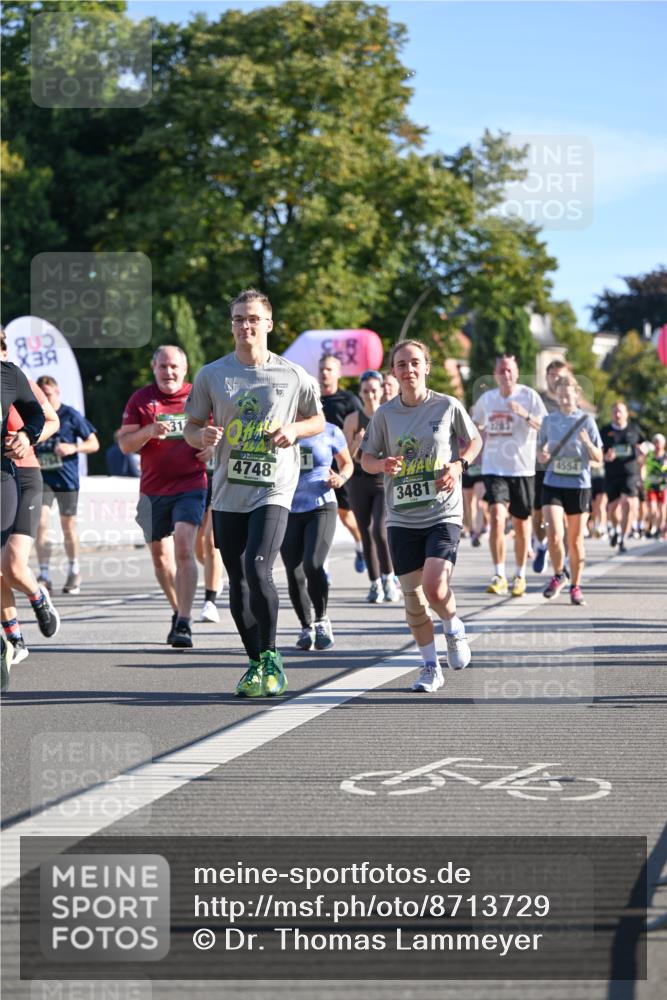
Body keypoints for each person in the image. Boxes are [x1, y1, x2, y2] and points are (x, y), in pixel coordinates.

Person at [184, 288, 324, 697]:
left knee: (256, 565)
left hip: (274, 487)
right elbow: (191, 426)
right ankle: (255, 661)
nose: (245, 326)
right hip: (229, 491)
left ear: (268, 324)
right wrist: (201, 435)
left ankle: (272, 657)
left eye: (253, 319)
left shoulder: (292, 374)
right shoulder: (213, 374)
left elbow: (317, 419)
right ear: (232, 326)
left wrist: (294, 430)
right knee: (237, 579)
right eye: (238, 319)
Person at [361, 339, 481, 692]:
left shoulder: (447, 406)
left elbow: (474, 441)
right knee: (413, 599)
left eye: (415, 363)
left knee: (435, 585)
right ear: (394, 372)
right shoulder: (384, 414)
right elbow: (365, 458)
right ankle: (430, 666)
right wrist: (382, 464)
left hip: (443, 511)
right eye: (401, 365)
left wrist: (459, 466)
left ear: (427, 367)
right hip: (401, 516)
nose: (408, 370)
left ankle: (454, 626)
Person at [118, 345, 209, 648]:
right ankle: (176, 609)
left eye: (174, 367)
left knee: (184, 547)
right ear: (153, 368)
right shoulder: (141, 400)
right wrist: (148, 431)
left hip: (191, 484)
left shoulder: (198, 396)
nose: (169, 372)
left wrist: (212, 449)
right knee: (160, 559)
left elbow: (220, 433)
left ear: (185, 368)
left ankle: (184, 621)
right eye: (163, 367)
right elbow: (125, 445)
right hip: (152, 490)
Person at [1, 332, 61, 666]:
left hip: (24, 474)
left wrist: (26, 438)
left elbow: (51, 420)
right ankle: (15, 639)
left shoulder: (13, 377)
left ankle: (38, 597)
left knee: (11, 565)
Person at [281, 396, 354, 651]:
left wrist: (341, 478)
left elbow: (347, 463)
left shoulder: (330, 430)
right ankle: (305, 627)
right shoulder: (281, 429)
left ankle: (322, 620)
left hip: (321, 504)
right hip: (287, 507)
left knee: (313, 564)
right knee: (293, 571)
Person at [472, 355, 547, 596]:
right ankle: (499, 574)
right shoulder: (487, 399)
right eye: (502, 370)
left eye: (510, 370)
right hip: (494, 468)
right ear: (495, 374)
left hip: (522, 469)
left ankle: (520, 575)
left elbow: (544, 425)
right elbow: (475, 427)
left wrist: (524, 414)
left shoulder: (529, 396)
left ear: (516, 372)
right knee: (495, 516)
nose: (506, 375)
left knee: (521, 523)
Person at [537, 374, 603, 605]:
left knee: (575, 541)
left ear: (576, 395)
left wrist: (587, 443)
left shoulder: (587, 420)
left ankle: (576, 585)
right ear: (557, 396)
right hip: (553, 483)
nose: (565, 398)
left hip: (578, 485)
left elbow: (598, 457)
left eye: (569, 394)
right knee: (554, 534)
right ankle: (558, 574)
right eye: (561, 394)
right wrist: (542, 455)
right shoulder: (549, 420)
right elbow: (540, 453)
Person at [34, 375, 99, 594]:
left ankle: (74, 570)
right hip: (42, 477)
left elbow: (94, 443)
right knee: (40, 522)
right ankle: (44, 574)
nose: (45, 399)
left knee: (67, 525)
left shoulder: (70, 415)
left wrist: (73, 448)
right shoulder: (35, 416)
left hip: (66, 478)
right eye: (41, 395)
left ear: (57, 392)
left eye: (48, 394)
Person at [344, 369, 399, 603]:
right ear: (361, 392)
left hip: (383, 481)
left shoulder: (390, 416)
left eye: (374, 390)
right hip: (358, 480)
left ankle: (389, 578)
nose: (370, 395)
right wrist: (356, 442)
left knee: (380, 530)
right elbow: (345, 456)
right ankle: (375, 583)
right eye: (365, 391)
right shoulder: (353, 419)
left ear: (381, 391)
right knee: (365, 531)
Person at [318, 354, 366, 573]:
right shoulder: (312, 399)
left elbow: (362, 427)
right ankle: (322, 568)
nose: (324, 373)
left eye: (329, 369)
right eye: (321, 369)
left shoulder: (349, 400)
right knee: (319, 517)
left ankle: (360, 546)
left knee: (346, 515)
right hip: (317, 467)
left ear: (338, 373)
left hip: (342, 465)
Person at [532, 358, 569, 573]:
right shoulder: (538, 400)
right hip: (540, 464)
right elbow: (536, 422)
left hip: (564, 465)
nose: (556, 379)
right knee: (538, 514)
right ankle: (541, 544)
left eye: (560, 375)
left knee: (561, 515)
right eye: (552, 375)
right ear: (546, 377)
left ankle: (562, 563)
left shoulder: (570, 400)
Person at [600, 401, 646, 554]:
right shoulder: (605, 431)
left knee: (629, 504)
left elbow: (643, 446)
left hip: (630, 473)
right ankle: (615, 528)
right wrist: (605, 456)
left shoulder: (634, 429)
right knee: (613, 509)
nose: (617, 414)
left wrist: (642, 452)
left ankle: (623, 538)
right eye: (615, 412)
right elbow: (598, 452)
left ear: (627, 413)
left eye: (620, 411)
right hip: (612, 474)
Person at [644, 433, 667, 538]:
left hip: (663, 485)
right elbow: (643, 466)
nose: (658, 444)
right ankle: (652, 527)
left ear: (663, 444)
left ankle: (660, 528)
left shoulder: (666, 456)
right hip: (651, 485)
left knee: (662, 508)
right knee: (653, 509)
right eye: (656, 442)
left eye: (660, 442)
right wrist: (642, 478)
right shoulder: (649, 455)